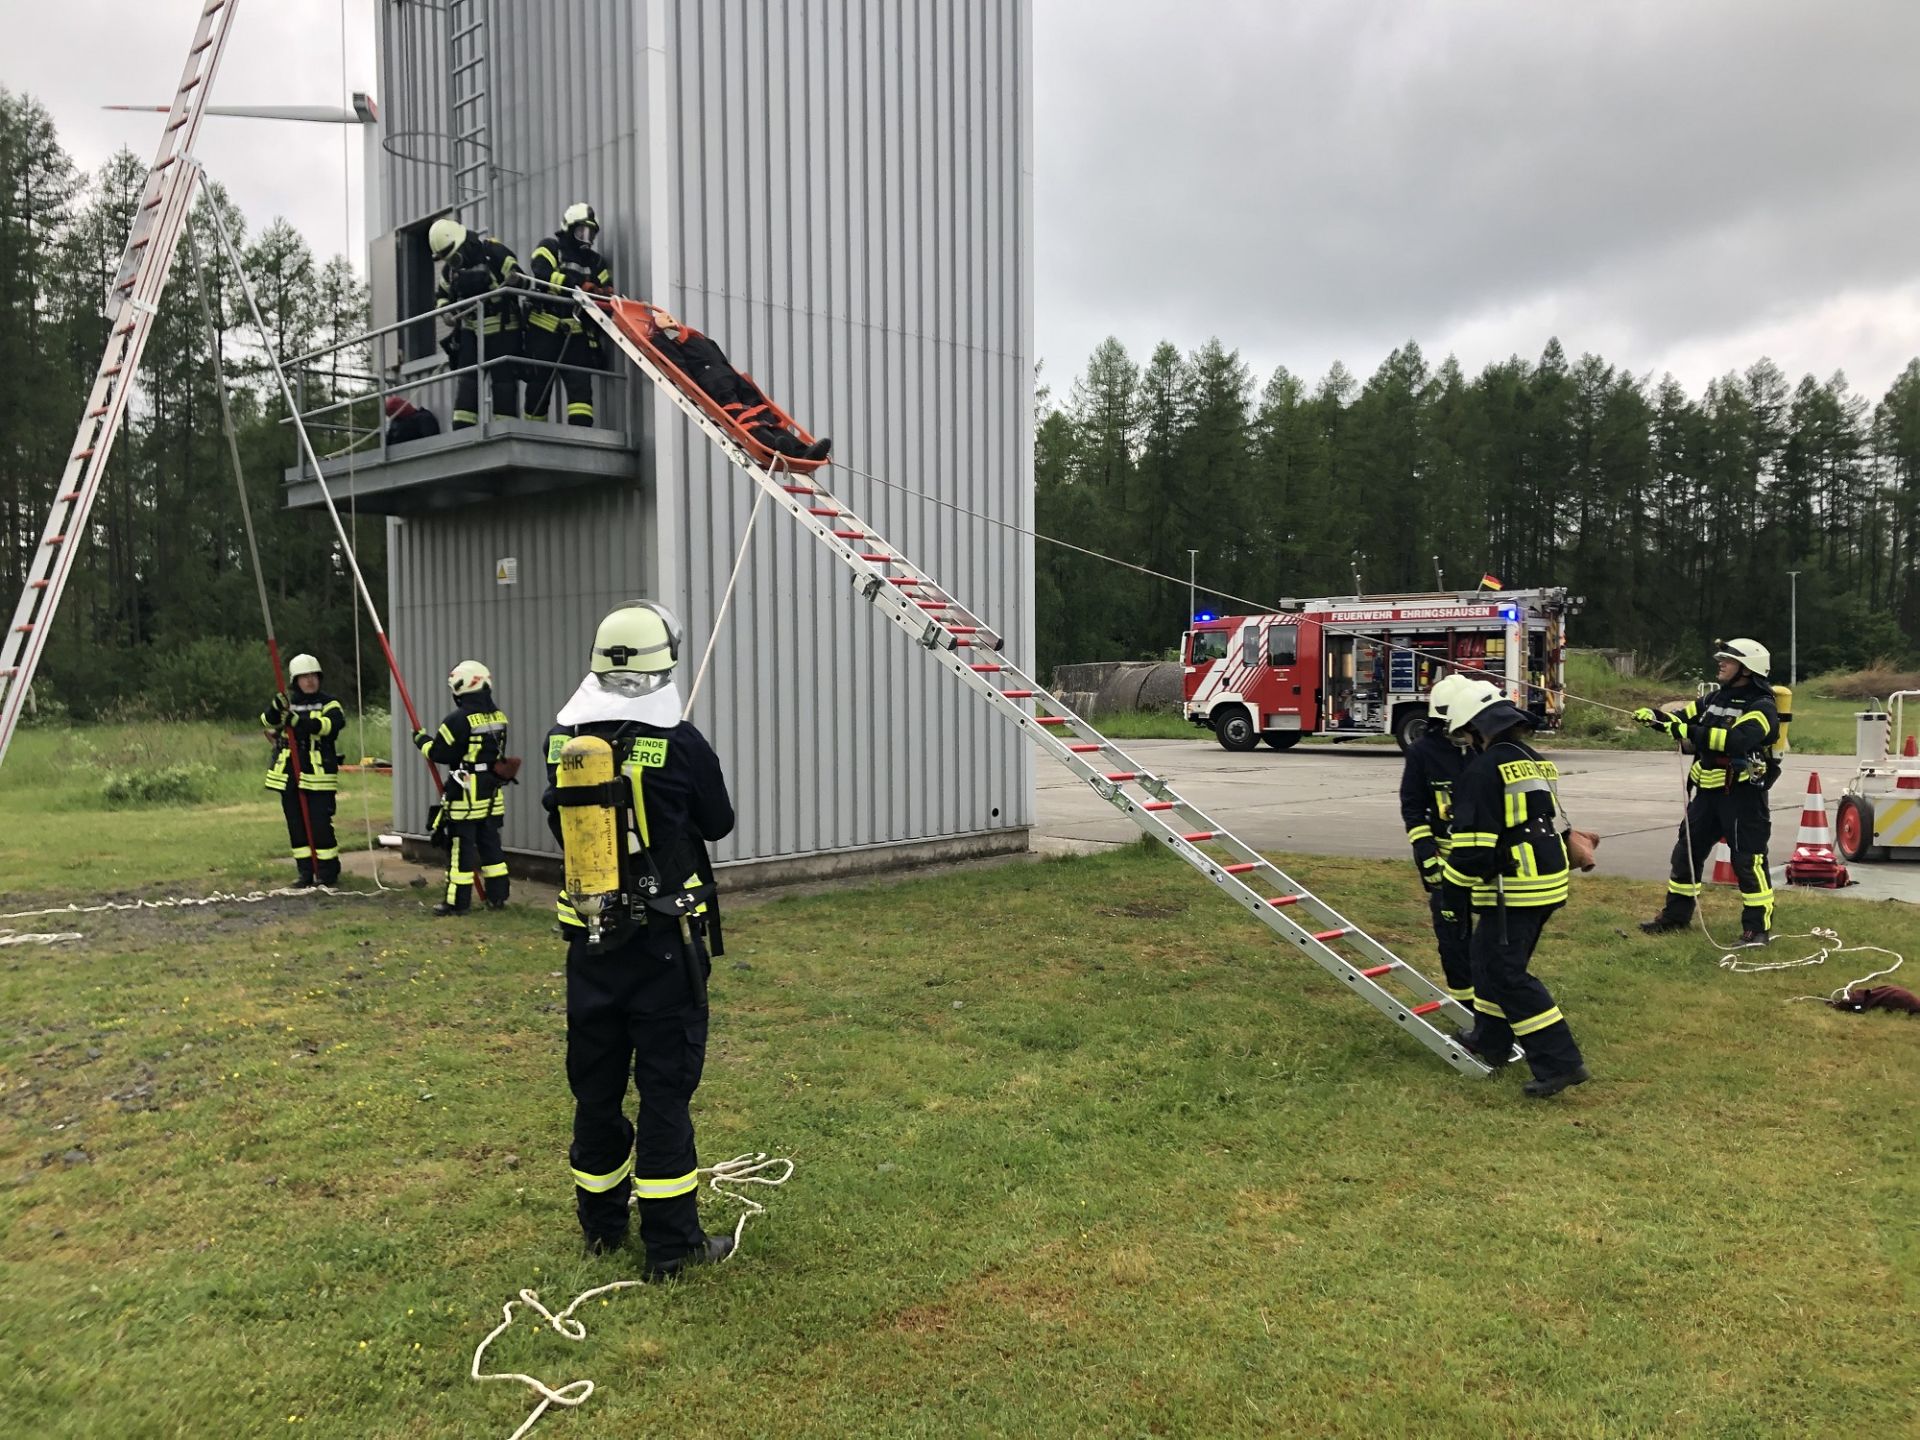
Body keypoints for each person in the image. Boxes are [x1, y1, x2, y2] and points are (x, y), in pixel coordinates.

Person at [541, 600, 736, 1275]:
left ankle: (600, 1227)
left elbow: (557, 829)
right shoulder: (679, 743)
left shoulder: (560, 742)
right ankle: (673, 1246)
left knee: (595, 1091)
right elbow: (719, 822)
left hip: (587, 949)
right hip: (662, 947)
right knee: (663, 1092)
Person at [1441, 680, 1589, 1098]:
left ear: (1476, 729)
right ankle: (1489, 1039)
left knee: (1506, 974)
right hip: (1545, 879)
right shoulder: (1532, 759)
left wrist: (1451, 897)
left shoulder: (1482, 770)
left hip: (1515, 888)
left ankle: (1561, 1062)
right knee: (1488, 962)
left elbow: (1472, 851)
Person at [1635, 638, 1780, 947]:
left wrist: (1683, 731)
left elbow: (1736, 740)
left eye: (1728, 660)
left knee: (1748, 861)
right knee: (1686, 853)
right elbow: (1681, 720)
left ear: (1747, 668)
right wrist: (1655, 718)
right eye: (1722, 659)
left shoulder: (1762, 705)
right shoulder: (1714, 698)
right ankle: (1676, 917)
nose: (1721, 663)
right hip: (1707, 793)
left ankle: (1756, 930)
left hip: (1742, 796)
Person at [647, 309, 831, 461]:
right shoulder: (667, 341)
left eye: (668, 315)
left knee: (763, 412)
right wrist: (696, 389)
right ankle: (775, 447)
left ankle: (803, 450)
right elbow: (676, 366)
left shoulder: (695, 337)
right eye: (662, 318)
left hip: (731, 376)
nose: (669, 317)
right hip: (713, 381)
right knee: (742, 416)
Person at [412, 660, 511, 916]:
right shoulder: (499, 717)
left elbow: (439, 753)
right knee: (492, 848)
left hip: (465, 796)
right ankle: (498, 897)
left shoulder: (457, 720)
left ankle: (457, 903)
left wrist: (421, 739)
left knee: (461, 851)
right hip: (491, 794)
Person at [1399, 673, 1473, 1011]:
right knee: (1453, 939)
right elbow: (1413, 809)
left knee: (1492, 942)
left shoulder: (1485, 749)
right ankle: (1465, 1008)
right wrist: (1426, 857)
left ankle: (1492, 1006)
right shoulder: (1422, 753)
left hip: (1487, 863)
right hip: (1445, 865)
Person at [259, 653, 345, 888]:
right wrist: (275, 708)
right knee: (296, 824)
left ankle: (327, 873)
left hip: (318, 773)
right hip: (289, 773)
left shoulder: (330, 703)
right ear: (295, 680)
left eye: (313, 676)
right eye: (304, 677)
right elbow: (267, 722)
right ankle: (305, 872)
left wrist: (300, 723)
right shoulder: (289, 702)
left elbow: (331, 725)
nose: (310, 681)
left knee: (319, 823)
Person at [428, 218, 523, 428]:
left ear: (461, 243)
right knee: (467, 384)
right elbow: (442, 296)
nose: (453, 263)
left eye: (453, 257)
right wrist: (446, 312)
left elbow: (521, 278)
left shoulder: (494, 253)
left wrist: (515, 280)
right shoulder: (451, 270)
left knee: (504, 386)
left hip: (502, 330)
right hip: (471, 332)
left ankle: (505, 432)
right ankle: (463, 432)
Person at [526, 202, 613, 426]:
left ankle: (581, 434)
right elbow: (541, 273)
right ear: (569, 228)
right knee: (539, 387)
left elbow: (607, 291)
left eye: (591, 233)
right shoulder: (550, 247)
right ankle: (535, 435)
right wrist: (577, 286)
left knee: (581, 391)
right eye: (581, 231)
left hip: (576, 333)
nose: (587, 238)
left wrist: (601, 293)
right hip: (544, 330)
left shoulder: (595, 261)